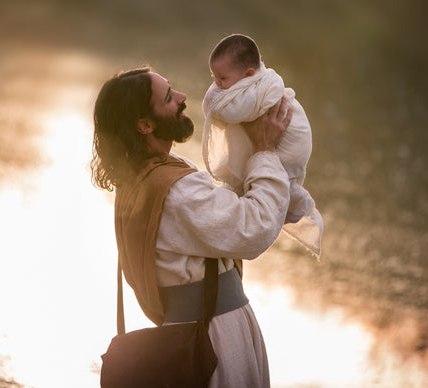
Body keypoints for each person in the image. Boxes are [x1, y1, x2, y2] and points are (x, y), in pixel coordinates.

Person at [91, 66, 292, 387]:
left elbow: (218, 215)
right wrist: (266, 152)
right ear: (145, 125)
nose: (183, 98)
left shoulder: (143, 177)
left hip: (191, 328)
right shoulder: (175, 190)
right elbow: (254, 229)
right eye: (169, 98)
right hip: (213, 337)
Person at [203, 33, 322, 257]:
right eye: (214, 77)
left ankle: (288, 203)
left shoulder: (259, 89)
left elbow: (224, 109)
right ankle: (287, 200)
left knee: (280, 180)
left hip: (291, 141)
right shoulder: (246, 82)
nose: (216, 84)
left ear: (248, 74)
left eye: (222, 79)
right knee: (274, 182)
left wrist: (212, 97)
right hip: (279, 139)